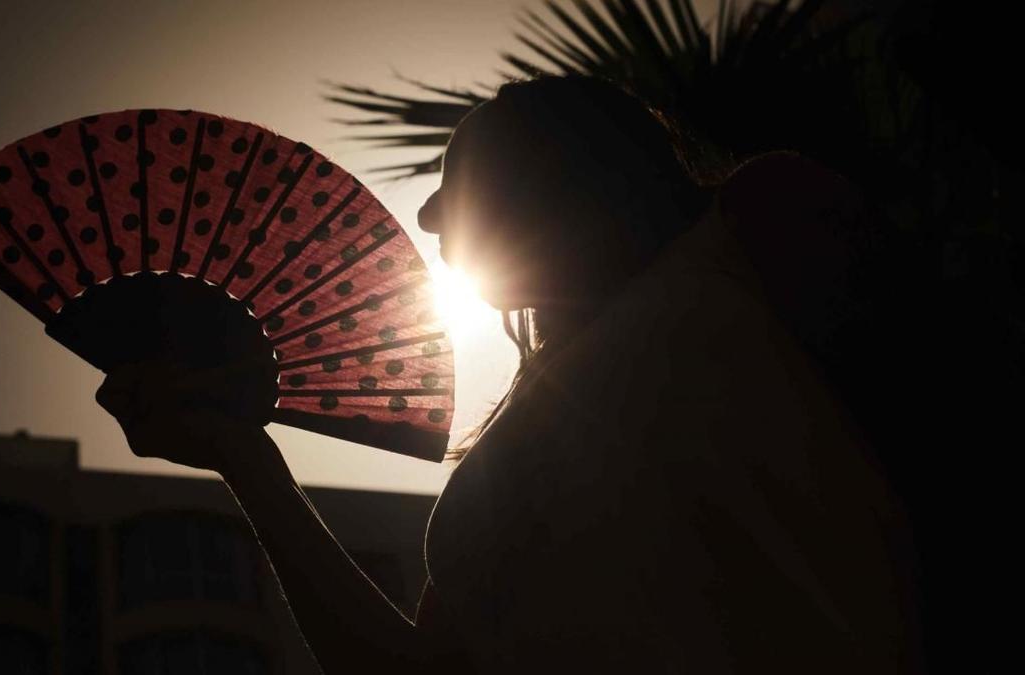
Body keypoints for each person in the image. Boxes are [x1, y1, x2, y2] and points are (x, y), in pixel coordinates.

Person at [95, 75, 924, 673]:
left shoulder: (749, 228)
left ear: (557, 165)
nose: (426, 215)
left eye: (458, 169)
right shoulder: (495, 471)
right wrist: (245, 457)